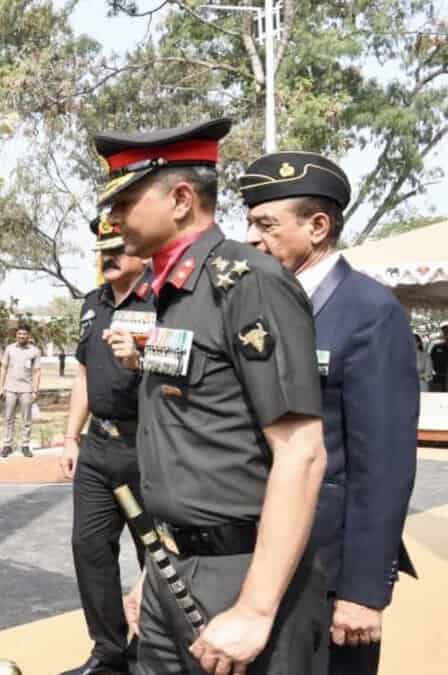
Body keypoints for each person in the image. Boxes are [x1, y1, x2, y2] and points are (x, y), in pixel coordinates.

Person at [99, 118, 329, 675]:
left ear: (181, 199)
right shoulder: (171, 294)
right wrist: (158, 570)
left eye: (127, 201)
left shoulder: (249, 282)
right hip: (172, 570)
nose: (113, 218)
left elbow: (302, 451)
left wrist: (254, 608)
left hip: (243, 575)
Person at [240, 151, 418, 675]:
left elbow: (383, 466)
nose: (251, 236)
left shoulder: (370, 312)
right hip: (265, 554)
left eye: (266, 224)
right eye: (250, 222)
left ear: (318, 227)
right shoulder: (262, 302)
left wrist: (363, 591)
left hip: (330, 565)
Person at [58, 215, 153, 675]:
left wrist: (143, 357)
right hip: (98, 447)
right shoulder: (92, 303)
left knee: (156, 554)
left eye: (118, 246)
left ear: (143, 249)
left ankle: (150, 652)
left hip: (148, 447)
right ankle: (109, 652)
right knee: (89, 548)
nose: (107, 255)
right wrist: (70, 437)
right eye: (102, 247)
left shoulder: (166, 299)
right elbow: (82, 373)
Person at [0, 324, 42, 458]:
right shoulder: (9, 349)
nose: (21, 336)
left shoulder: (35, 351)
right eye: (19, 334)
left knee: (26, 419)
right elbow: (3, 368)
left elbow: (37, 371)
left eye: (24, 334)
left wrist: (35, 390)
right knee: (8, 418)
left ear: (28, 335)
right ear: (16, 335)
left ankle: (25, 445)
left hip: (26, 390)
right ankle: (7, 445)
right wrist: (0, 388)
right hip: (10, 388)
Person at [430, 322, 448, 391]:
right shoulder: (436, 347)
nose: (446, 334)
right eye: (445, 332)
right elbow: (430, 361)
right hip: (439, 378)